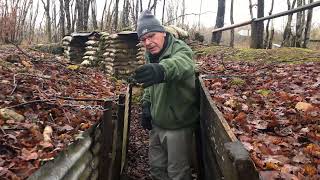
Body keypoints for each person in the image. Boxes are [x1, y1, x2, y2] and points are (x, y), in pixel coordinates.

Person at [132, 10, 199, 180]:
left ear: (162, 32)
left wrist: (162, 70)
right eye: (144, 39)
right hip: (157, 125)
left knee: (178, 173)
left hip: (178, 126)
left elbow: (183, 64)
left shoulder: (179, 48)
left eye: (152, 36)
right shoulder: (151, 55)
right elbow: (149, 85)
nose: (148, 42)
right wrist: (146, 105)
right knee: (156, 168)